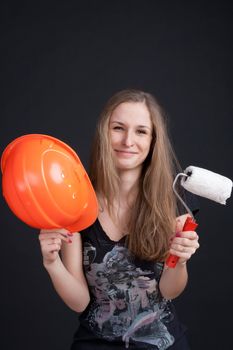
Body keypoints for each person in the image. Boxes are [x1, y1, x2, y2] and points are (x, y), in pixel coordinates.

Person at [39, 89, 200, 349]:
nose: (128, 141)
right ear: (104, 132)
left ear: (153, 140)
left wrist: (179, 261)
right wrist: (51, 263)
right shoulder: (76, 200)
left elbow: (169, 291)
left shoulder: (174, 199)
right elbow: (80, 302)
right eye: (118, 128)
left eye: (141, 131)